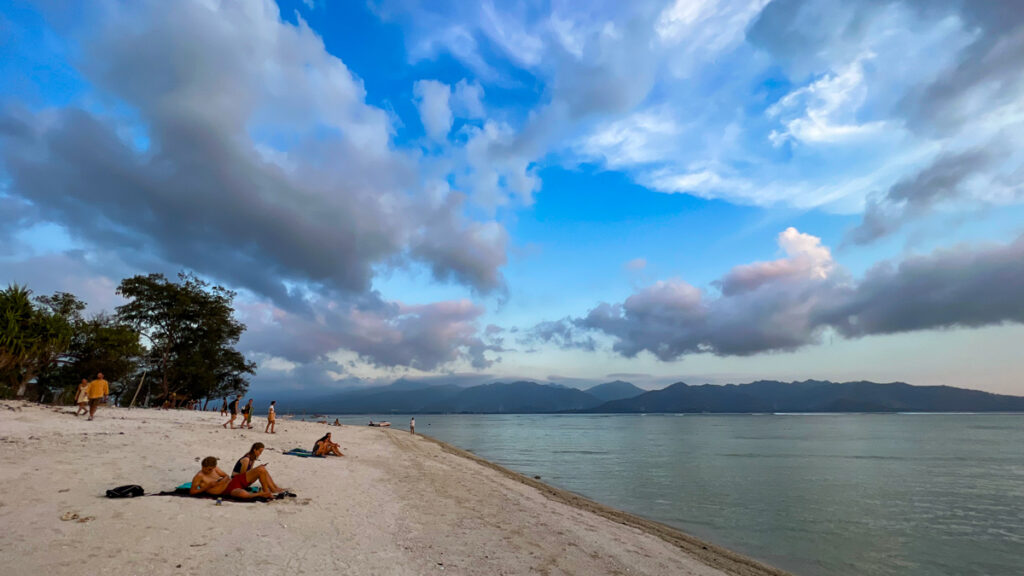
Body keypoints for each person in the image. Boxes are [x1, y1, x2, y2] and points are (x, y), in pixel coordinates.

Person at [189, 456, 272, 500]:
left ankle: (266, 492)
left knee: (261, 469)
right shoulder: (199, 476)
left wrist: (223, 480)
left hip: (234, 481)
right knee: (242, 494)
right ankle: (262, 494)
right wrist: (208, 486)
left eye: (209, 469)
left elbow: (226, 476)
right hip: (228, 491)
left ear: (214, 467)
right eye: (204, 468)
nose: (206, 470)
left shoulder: (215, 469)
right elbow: (192, 492)